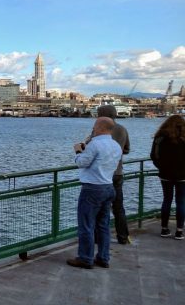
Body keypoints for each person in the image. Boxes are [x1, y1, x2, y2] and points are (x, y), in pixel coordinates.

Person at [67, 117, 122, 269]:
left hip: (92, 188)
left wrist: (78, 151)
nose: (93, 129)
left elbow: (81, 163)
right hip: (108, 187)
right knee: (103, 225)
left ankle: (85, 258)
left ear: (99, 127)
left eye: (95, 126)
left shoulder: (95, 144)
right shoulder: (116, 146)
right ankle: (103, 257)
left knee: (86, 225)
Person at [86, 105, 131, 244]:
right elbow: (127, 149)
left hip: (101, 175)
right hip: (117, 173)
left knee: (97, 209)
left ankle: (97, 238)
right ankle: (123, 237)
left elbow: (89, 149)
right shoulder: (122, 129)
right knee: (118, 208)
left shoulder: (99, 130)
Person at [150, 114, 185, 240]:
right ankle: (180, 231)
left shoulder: (160, 137)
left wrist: (161, 167)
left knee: (167, 199)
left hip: (165, 173)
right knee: (181, 201)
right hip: (183, 175)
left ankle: (164, 229)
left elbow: (154, 155)